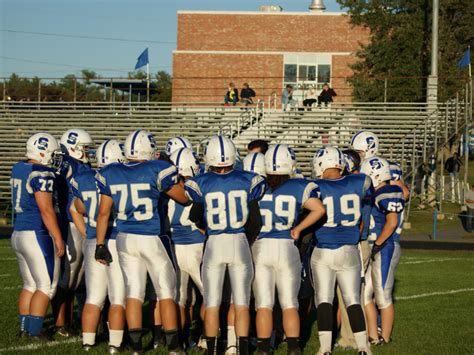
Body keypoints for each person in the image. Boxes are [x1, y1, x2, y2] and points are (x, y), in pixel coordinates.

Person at [94, 129, 189, 354]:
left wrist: (99, 244)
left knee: (133, 293)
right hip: (151, 236)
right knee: (166, 292)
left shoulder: (112, 172)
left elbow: (103, 213)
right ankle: (174, 346)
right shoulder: (156, 169)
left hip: (124, 238)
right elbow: (183, 198)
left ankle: (136, 347)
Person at [185, 135, 267, 355]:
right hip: (239, 242)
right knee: (241, 302)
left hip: (214, 243)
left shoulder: (200, 182)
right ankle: (241, 350)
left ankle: (211, 350)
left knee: (211, 302)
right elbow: (254, 219)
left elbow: (196, 214)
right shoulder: (249, 179)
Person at [254, 144, 325, 355]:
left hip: (261, 247)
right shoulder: (299, 186)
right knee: (289, 303)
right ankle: (294, 349)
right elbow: (319, 209)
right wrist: (299, 228)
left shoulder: (256, 186)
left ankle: (264, 349)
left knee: (264, 304)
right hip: (286, 246)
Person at [311, 146, 373, 355]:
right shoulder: (359, 182)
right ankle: (364, 348)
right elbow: (365, 208)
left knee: (324, 300)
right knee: (353, 300)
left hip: (324, 250)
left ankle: (325, 348)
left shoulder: (315, 186)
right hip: (350, 249)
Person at [69, 139, 126, 352]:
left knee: (94, 296)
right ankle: (115, 344)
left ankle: (88, 342)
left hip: (93, 238)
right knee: (118, 297)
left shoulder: (82, 178)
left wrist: (86, 234)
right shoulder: (120, 177)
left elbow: (76, 208)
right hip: (116, 238)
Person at [11, 132, 64, 339]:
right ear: (42, 152)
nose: (53, 157)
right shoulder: (41, 173)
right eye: (51, 153)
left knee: (29, 285)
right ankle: (35, 332)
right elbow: (46, 210)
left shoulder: (19, 167)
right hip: (37, 233)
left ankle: (25, 328)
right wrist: (58, 237)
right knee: (46, 286)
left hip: (19, 233)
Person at [53, 128, 94, 337]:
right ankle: (60, 322)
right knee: (68, 274)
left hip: (81, 218)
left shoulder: (81, 164)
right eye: (84, 147)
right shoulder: (66, 162)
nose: (86, 151)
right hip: (69, 221)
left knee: (79, 276)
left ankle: (71, 320)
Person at [361, 157, 405, 345]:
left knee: (383, 296)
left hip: (385, 246)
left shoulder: (390, 191)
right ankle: (373, 336)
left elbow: (392, 222)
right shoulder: (377, 192)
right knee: (365, 296)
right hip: (376, 246)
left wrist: (378, 244)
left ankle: (385, 337)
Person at [168, 147, 206, 346]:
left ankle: (179, 341)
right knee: (210, 296)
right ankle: (207, 338)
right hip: (195, 247)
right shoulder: (198, 187)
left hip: (175, 248)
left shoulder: (166, 188)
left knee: (180, 299)